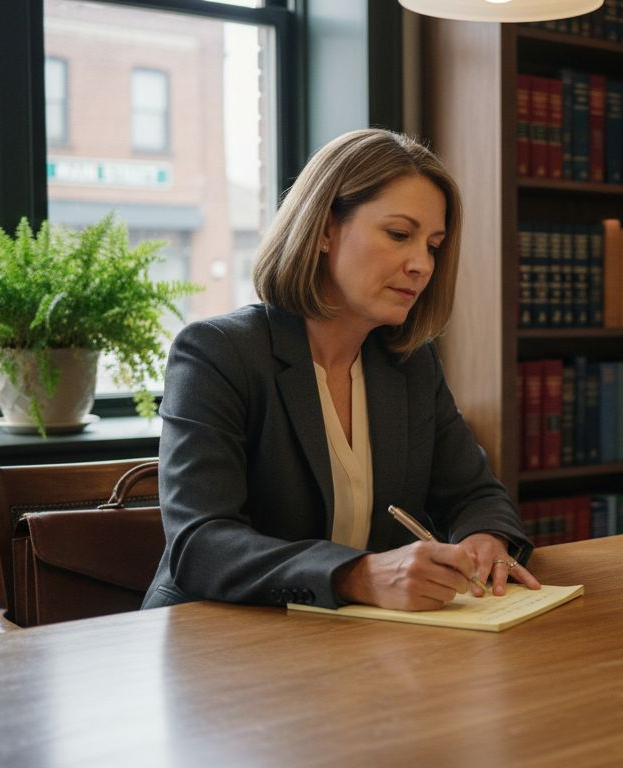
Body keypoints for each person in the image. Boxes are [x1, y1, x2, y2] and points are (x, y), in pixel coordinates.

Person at [143, 128, 540, 612]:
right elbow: (199, 543)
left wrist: (486, 538)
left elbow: (475, 493)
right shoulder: (217, 353)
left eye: (433, 245)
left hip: (353, 643)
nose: (422, 264)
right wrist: (357, 575)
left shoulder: (410, 364)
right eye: (399, 235)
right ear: (325, 230)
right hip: (218, 643)